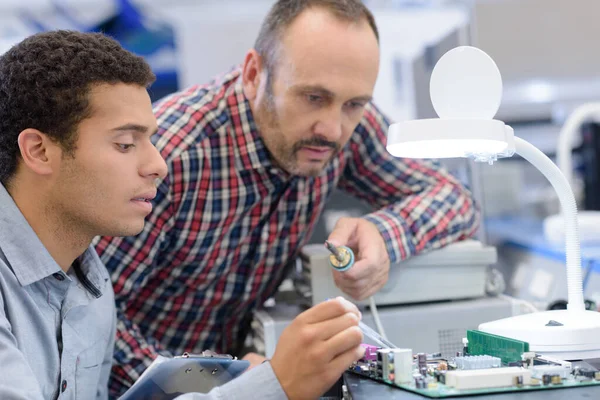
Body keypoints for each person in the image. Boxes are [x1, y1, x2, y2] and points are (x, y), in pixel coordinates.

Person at [95, 0, 479, 396]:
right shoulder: (173, 156)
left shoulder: (343, 127)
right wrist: (229, 382)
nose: (332, 129)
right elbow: (93, 324)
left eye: (354, 104)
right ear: (253, 74)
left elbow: (454, 197)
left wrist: (384, 233)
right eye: (313, 97)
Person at [0, 29, 366, 400]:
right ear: (39, 151)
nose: (158, 164)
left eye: (151, 141)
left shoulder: (92, 288)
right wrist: (274, 386)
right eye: (125, 144)